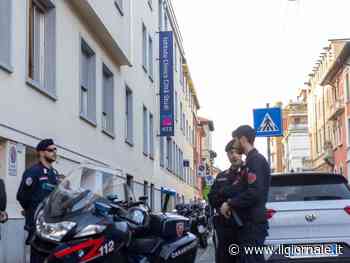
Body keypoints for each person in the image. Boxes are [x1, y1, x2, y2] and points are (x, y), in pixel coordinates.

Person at [220, 125, 271, 263]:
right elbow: (240, 187)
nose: (235, 145)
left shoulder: (255, 160)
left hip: (252, 224)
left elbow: (254, 192)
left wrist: (230, 203)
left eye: (235, 140)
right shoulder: (250, 161)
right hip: (247, 224)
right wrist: (223, 194)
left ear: (242, 139)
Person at [17, 139, 60, 263]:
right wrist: (32, 212)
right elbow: (22, 197)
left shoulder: (54, 174)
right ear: (41, 153)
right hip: (37, 227)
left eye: (55, 149)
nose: (54, 152)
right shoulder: (33, 172)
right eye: (50, 150)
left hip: (52, 226)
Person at [208, 138, 244, 263]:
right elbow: (212, 197)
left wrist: (228, 200)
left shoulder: (248, 172)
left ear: (241, 153)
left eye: (236, 152)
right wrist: (223, 202)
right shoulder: (222, 176)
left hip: (243, 227)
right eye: (230, 153)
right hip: (224, 228)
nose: (233, 156)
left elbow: (248, 195)